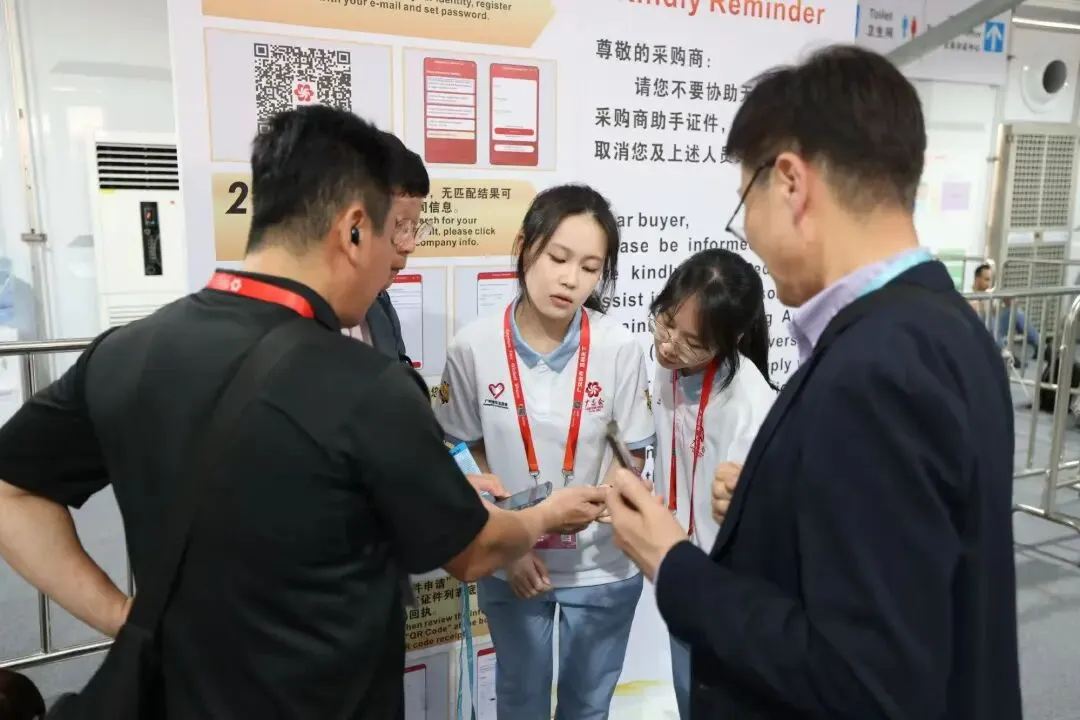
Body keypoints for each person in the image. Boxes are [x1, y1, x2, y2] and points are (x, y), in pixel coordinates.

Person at [0, 106, 608, 720]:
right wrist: (544, 516)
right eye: (390, 235)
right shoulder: (367, 387)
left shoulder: (125, 351)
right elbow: (472, 552)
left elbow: (11, 492)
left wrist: (126, 619)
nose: (396, 261)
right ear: (353, 230)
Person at [604, 45, 1021, 720]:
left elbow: (865, 680)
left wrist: (672, 562)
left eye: (745, 203)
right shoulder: (946, 326)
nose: (750, 234)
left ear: (790, 183)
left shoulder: (879, 368)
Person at [434, 184, 655, 719]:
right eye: (558, 258)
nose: (570, 279)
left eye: (589, 267)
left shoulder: (619, 348)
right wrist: (512, 542)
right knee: (520, 702)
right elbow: (463, 451)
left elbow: (631, 454)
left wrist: (610, 495)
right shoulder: (474, 346)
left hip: (600, 567)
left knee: (587, 706)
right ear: (524, 246)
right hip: (510, 562)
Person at [647, 248, 778, 720]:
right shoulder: (667, 367)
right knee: (687, 693)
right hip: (680, 570)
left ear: (731, 340)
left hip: (725, 588)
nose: (669, 347)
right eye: (665, 323)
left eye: (692, 342)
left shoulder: (749, 406)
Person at [347, 131, 434, 365]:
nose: (410, 246)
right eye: (400, 227)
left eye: (413, 229)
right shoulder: (287, 331)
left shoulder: (380, 303)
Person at [970, 262, 1039, 359]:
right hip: (978, 330)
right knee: (987, 318)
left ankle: (1041, 346)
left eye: (991, 280)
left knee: (1014, 312)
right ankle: (1005, 354)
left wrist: (1007, 301)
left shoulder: (990, 293)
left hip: (994, 327)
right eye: (987, 280)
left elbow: (998, 312)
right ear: (977, 280)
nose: (989, 284)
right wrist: (984, 303)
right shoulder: (969, 295)